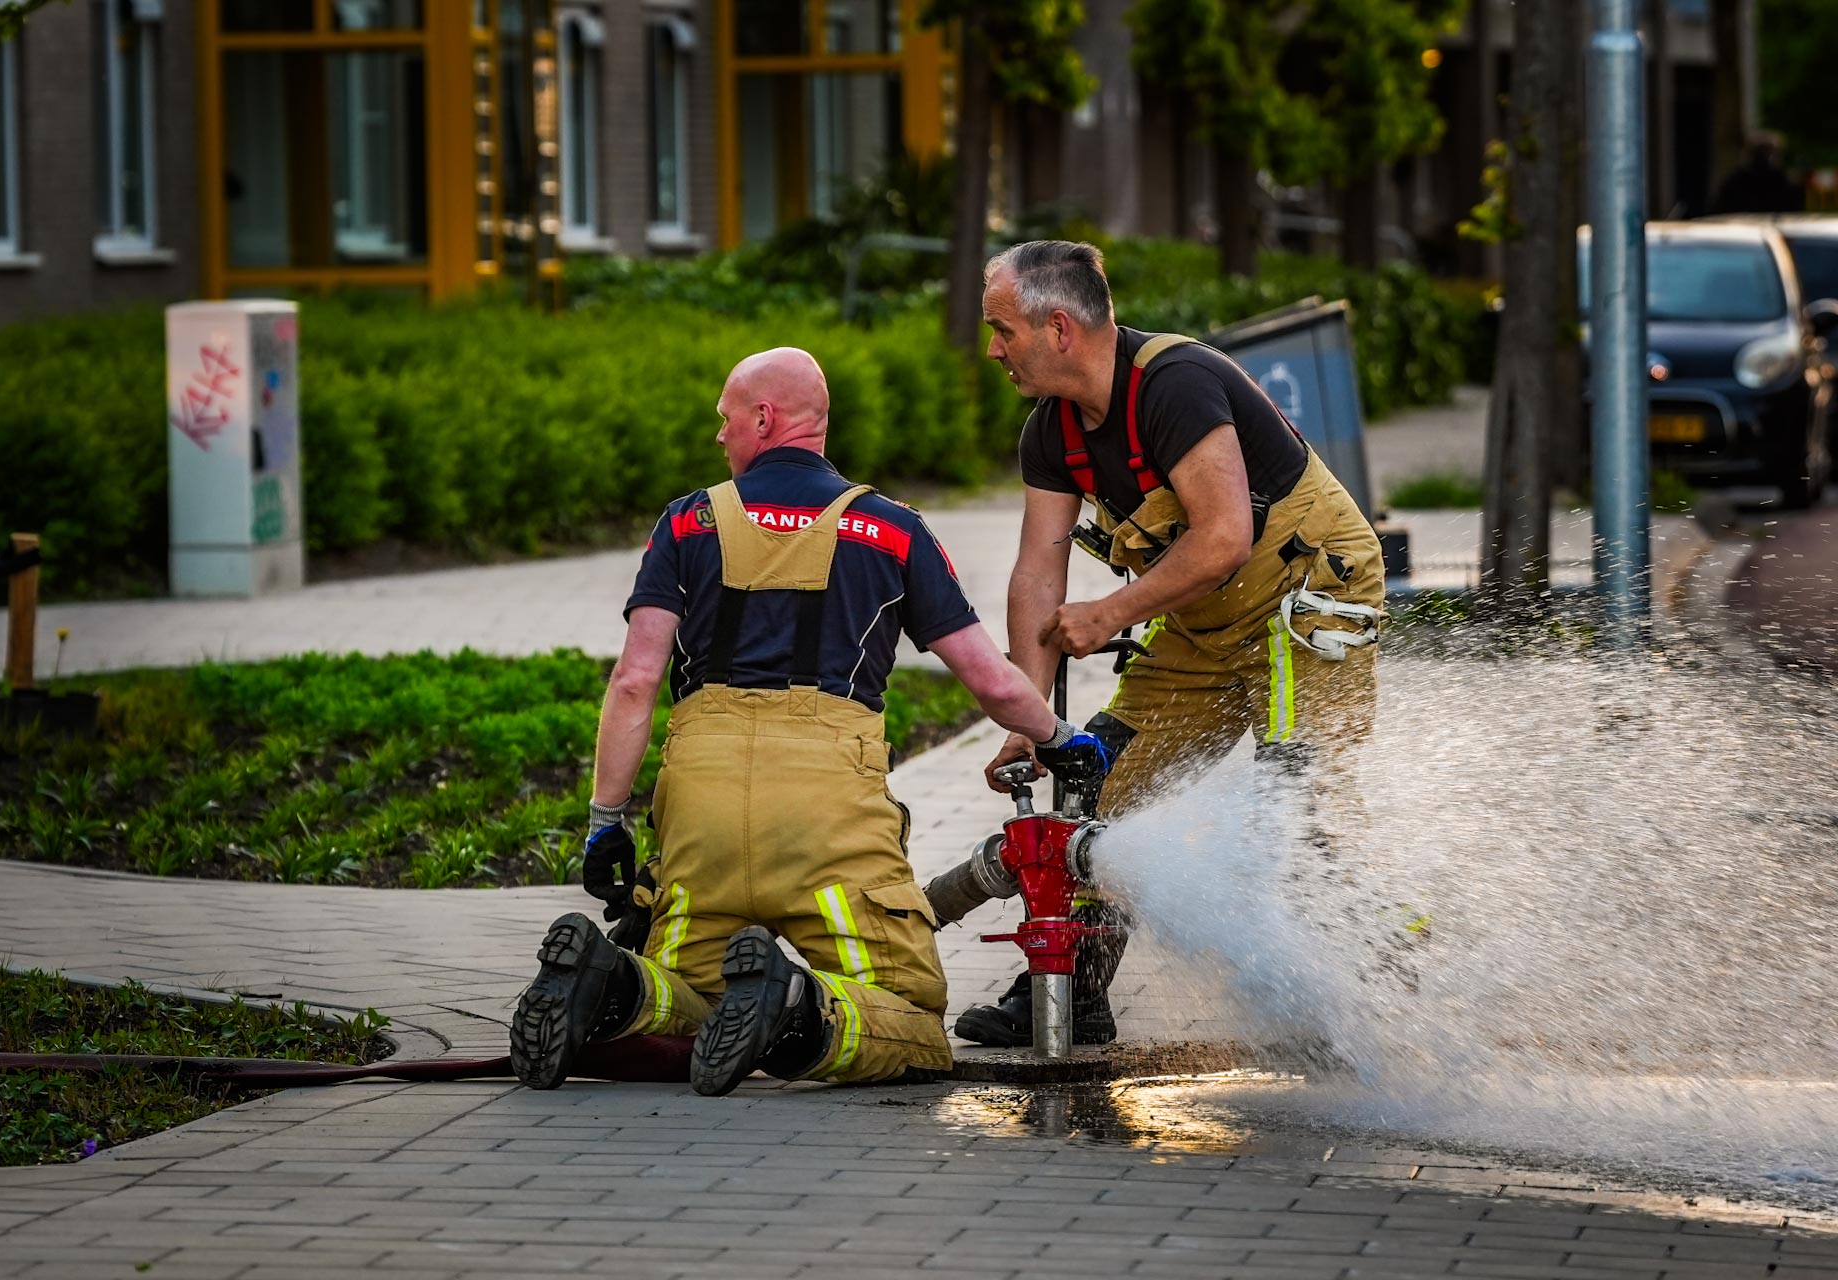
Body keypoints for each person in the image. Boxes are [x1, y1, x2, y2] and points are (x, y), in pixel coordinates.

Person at [508, 347, 1108, 1095]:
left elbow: (635, 681)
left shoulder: (688, 522)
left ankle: (611, 989)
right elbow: (990, 679)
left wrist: (605, 823)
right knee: (914, 1019)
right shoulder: (893, 530)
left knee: (684, 1000)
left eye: (725, 420)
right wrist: (1061, 740)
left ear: (763, 418)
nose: (718, 437)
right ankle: (796, 1006)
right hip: (827, 820)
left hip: (703, 816)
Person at [935, 240, 1385, 1048]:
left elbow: (1221, 538)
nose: (992, 348)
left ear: (1060, 329)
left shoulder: (1175, 385)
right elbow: (1037, 578)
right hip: (1204, 626)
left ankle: (1377, 985)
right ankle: (1071, 990)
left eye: (1001, 330)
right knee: (1097, 784)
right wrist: (1027, 722)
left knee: (1293, 805)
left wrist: (1108, 613)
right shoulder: (1051, 432)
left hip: (1306, 600)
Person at [1709, 132, 1804, 217]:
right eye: (1761, 152)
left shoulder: (1785, 181)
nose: (1765, 157)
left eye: (1768, 152)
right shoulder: (1735, 182)